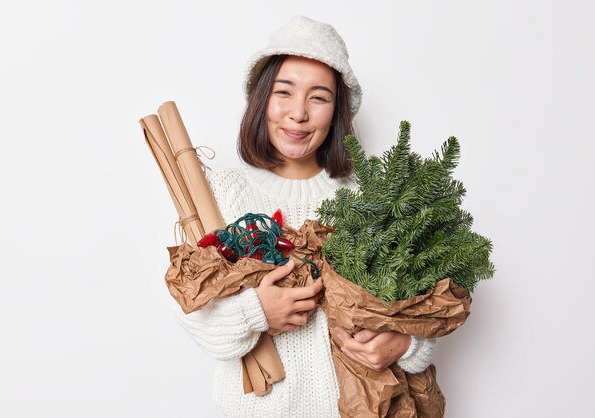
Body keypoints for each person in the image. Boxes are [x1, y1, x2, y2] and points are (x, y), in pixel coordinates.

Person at [174, 15, 437, 417]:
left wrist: (404, 345)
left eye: (318, 97)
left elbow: (424, 313)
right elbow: (194, 318)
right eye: (285, 92)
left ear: (337, 112)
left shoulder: (371, 196)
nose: (298, 113)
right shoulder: (220, 195)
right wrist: (258, 311)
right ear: (262, 99)